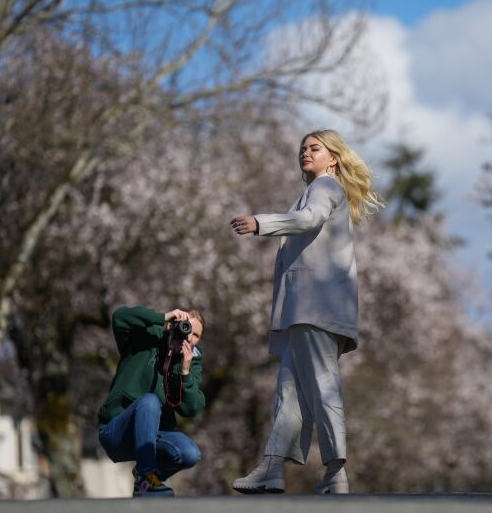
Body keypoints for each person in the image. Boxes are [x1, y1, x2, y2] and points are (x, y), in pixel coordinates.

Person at [230, 129, 381, 494]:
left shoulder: (325, 188)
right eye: (303, 149)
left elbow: (310, 219)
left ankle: (335, 471)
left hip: (314, 309)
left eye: (315, 148)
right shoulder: (318, 189)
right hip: (308, 310)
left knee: (322, 387)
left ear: (333, 158)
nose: (306, 153)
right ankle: (272, 468)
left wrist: (260, 223)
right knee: (290, 390)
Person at [97, 305, 206, 497]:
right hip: (117, 433)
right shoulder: (147, 339)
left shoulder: (190, 362)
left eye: (195, 335)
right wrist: (163, 317)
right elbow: (119, 318)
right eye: (186, 327)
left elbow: (192, 408)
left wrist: (184, 372)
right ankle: (146, 475)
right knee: (150, 401)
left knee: (190, 453)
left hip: (152, 437)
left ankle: (145, 483)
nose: (189, 336)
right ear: (175, 324)